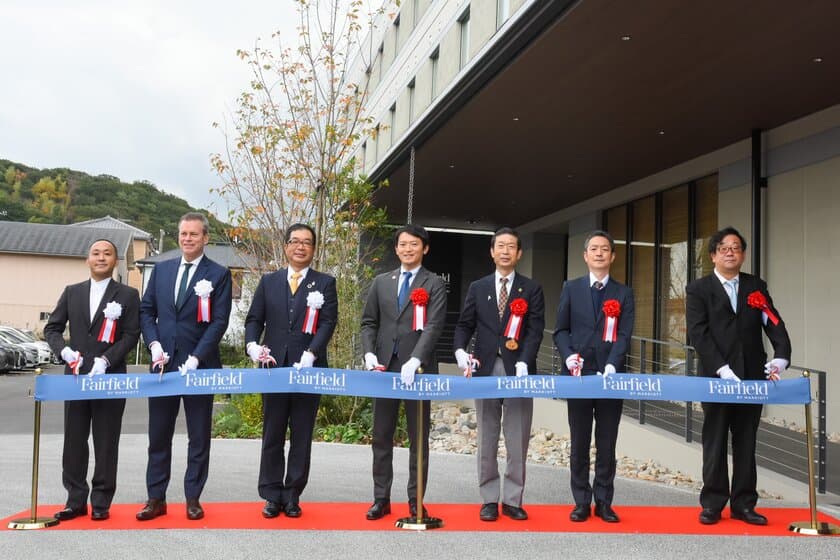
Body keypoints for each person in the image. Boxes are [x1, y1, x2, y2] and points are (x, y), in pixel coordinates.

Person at [686, 226, 791, 526]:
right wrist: (721, 367)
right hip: (716, 377)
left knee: (746, 441)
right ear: (713, 255)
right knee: (715, 440)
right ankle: (713, 504)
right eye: (723, 247)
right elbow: (699, 333)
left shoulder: (755, 285)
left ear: (743, 254)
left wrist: (782, 355)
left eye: (736, 247)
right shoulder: (698, 289)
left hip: (751, 377)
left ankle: (744, 504)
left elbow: (773, 322)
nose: (730, 251)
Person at [137, 212, 232, 521]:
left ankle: (193, 497)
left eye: (194, 234)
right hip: (163, 366)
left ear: (205, 238)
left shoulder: (218, 274)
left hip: (200, 368)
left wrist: (196, 358)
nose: (188, 239)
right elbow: (146, 311)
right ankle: (156, 497)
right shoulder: (161, 270)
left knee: (199, 435)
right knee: (158, 435)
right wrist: (153, 345)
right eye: (184, 234)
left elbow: (219, 322)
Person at [244, 223, 338, 519]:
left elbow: (327, 323)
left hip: (308, 370)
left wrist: (312, 352)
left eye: (307, 242)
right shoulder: (269, 281)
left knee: (301, 433)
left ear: (314, 248)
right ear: (285, 246)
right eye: (295, 241)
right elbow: (254, 319)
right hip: (273, 368)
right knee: (272, 432)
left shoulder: (325, 282)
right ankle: (272, 494)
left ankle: (293, 493)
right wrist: (251, 345)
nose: (300, 247)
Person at [44, 238, 141, 521]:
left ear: (116, 261)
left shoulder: (128, 294)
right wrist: (64, 351)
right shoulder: (72, 292)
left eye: (107, 254)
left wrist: (107, 359)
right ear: (87, 259)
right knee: (74, 440)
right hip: (75, 378)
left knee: (106, 440)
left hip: (110, 378)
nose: (101, 258)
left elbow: (131, 334)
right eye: (96, 253)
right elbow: (53, 327)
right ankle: (75, 500)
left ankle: (101, 501)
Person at [452, 227, 545, 522]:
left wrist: (524, 361)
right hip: (485, 368)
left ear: (519, 254)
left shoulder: (531, 289)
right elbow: (465, 324)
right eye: (500, 246)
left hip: (518, 370)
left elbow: (535, 330)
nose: (505, 251)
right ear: (492, 252)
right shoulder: (478, 287)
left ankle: (513, 499)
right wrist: (459, 351)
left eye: (511, 247)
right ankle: (489, 498)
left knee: (517, 437)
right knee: (487, 434)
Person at [360, 224, 446, 520]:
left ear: (425, 248)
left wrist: (416, 358)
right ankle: (380, 498)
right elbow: (369, 322)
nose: (408, 249)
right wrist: (369, 353)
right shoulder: (382, 281)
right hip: (384, 368)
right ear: (396, 249)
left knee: (417, 438)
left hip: (417, 371)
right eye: (403, 244)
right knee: (381, 436)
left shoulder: (433, 283)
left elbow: (434, 325)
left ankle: (415, 500)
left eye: (414, 244)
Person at [553, 230, 635, 523]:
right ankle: (580, 501)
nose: (599, 253)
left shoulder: (624, 293)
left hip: (611, 378)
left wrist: (614, 363)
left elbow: (624, 334)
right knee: (579, 440)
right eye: (594, 249)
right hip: (578, 376)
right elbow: (560, 329)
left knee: (607, 441)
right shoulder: (571, 288)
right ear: (585, 255)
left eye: (605, 249)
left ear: (612, 256)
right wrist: (568, 355)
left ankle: (604, 501)